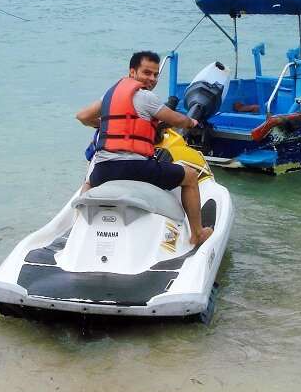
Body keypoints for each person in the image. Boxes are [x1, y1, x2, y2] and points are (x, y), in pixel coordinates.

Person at [76, 51, 213, 246]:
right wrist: (191, 121)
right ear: (132, 72)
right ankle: (197, 234)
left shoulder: (109, 95)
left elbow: (82, 116)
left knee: (88, 182)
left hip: (104, 171)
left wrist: (104, 123)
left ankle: (78, 229)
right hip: (136, 169)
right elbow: (176, 120)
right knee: (190, 176)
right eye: (146, 73)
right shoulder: (146, 97)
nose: (152, 79)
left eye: (156, 75)